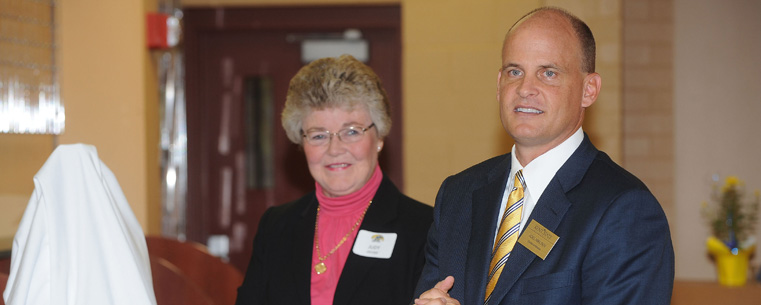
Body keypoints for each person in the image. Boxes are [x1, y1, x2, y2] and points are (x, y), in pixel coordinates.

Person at [413, 7, 674, 305]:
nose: (525, 89)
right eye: (515, 72)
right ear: (499, 84)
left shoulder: (624, 210)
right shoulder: (458, 195)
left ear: (589, 90)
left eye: (548, 73)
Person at [235, 55, 432, 305]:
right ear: (301, 142)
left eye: (351, 132)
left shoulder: (424, 229)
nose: (335, 149)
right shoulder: (276, 227)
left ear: (379, 136)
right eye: (318, 136)